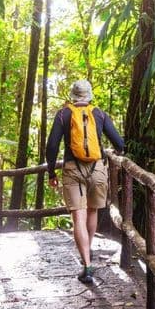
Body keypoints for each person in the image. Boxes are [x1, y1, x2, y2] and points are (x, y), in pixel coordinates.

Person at [46, 80, 125, 284]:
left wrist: (51, 172)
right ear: (89, 95)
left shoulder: (63, 114)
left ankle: (87, 265)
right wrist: (115, 154)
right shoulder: (98, 113)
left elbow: (52, 145)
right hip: (97, 168)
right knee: (92, 211)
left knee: (78, 218)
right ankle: (87, 253)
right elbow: (119, 143)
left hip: (72, 169)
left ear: (72, 96)